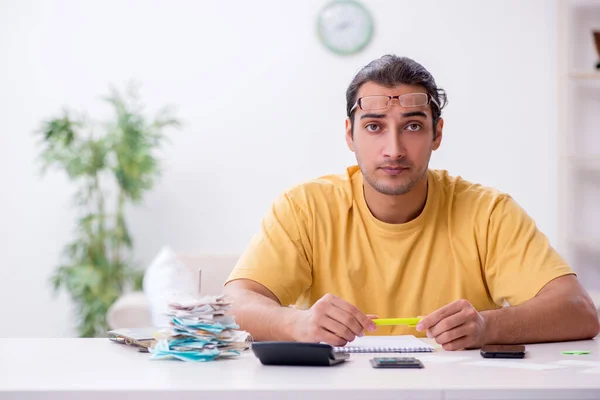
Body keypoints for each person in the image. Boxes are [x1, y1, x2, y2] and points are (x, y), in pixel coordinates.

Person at [223, 55, 599, 350]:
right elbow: (233, 304)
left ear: (437, 133)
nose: (394, 149)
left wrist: (487, 326)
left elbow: (580, 311)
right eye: (374, 126)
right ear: (349, 135)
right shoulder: (304, 207)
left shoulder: (488, 212)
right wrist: (296, 323)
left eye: (413, 126)